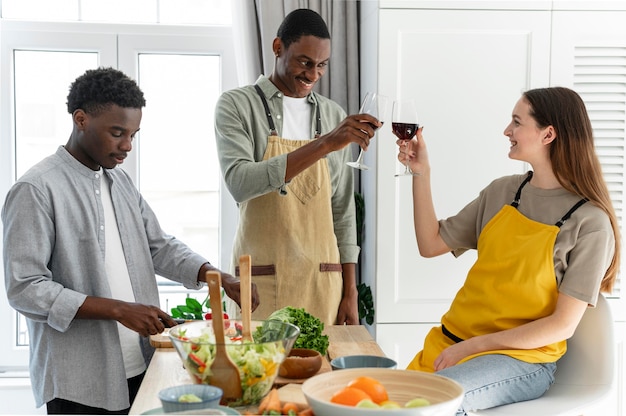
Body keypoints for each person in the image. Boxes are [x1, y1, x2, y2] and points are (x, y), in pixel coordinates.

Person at [2, 67, 259, 415]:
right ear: (80, 119)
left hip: (140, 360)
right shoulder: (36, 189)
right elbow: (25, 287)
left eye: (134, 134)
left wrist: (216, 275)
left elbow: (158, 245)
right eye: (117, 133)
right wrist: (119, 310)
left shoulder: (119, 182)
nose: (127, 146)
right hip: (78, 380)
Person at [397, 87, 620, 414]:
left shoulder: (590, 224)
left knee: (437, 404)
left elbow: (562, 325)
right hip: (450, 343)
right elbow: (430, 244)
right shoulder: (502, 192)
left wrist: (475, 346)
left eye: (517, 122)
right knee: (384, 404)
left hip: (519, 360)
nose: (507, 131)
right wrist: (421, 173)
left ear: (548, 134)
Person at [215, 9, 380, 326]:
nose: (313, 75)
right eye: (305, 62)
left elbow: (342, 209)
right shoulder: (237, 105)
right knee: (261, 372)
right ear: (278, 47)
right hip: (260, 285)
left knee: (322, 375)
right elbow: (240, 182)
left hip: (322, 285)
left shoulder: (333, 113)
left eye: (322, 65)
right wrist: (325, 144)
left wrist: (350, 292)